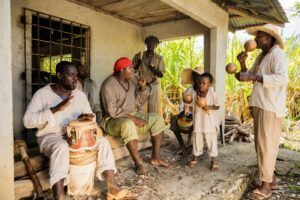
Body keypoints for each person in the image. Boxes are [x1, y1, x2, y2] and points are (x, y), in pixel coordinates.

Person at [23, 61, 132, 200]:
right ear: (59, 75)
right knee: (61, 147)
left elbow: (90, 119)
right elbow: (27, 121)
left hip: (77, 134)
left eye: (76, 75)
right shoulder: (42, 94)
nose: (75, 78)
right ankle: (59, 196)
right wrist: (56, 109)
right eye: (70, 75)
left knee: (103, 142)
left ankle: (113, 189)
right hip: (51, 136)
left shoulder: (79, 95)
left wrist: (84, 118)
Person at [235, 24, 287, 199]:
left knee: (266, 145)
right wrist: (242, 63)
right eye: (257, 37)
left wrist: (255, 77)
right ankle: (270, 179)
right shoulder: (261, 56)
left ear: (270, 38)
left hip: (270, 106)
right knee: (262, 143)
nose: (256, 40)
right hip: (261, 104)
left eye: (260, 37)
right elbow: (247, 76)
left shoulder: (277, 54)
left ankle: (265, 186)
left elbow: (281, 78)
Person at [100, 57, 170, 175]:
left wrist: (142, 89)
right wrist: (133, 118)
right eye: (130, 68)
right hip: (112, 120)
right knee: (128, 124)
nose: (133, 70)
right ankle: (138, 163)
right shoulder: (108, 85)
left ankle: (155, 157)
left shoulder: (131, 83)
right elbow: (112, 110)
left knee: (157, 119)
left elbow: (137, 103)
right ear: (122, 70)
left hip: (132, 115)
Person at [187, 73, 220, 171]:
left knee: (211, 141)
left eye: (204, 83)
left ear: (209, 84)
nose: (201, 85)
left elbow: (217, 106)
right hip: (198, 121)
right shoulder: (195, 93)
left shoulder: (212, 93)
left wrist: (209, 107)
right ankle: (195, 158)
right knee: (197, 139)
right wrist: (187, 104)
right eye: (199, 83)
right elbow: (190, 103)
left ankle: (214, 161)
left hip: (209, 122)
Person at [169, 67, 203, 153]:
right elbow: (182, 106)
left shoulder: (205, 91)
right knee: (173, 119)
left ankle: (191, 142)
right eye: (195, 76)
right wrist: (183, 113)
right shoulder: (188, 90)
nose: (196, 78)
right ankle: (182, 146)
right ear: (193, 77)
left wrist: (193, 111)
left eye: (198, 76)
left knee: (196, 120)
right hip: (188, 115)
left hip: (200, 116)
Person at [132, 35, 165, 113]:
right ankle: (142, 124)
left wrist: (153, 69)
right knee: (141, 107)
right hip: (142, 85)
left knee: (153, 107)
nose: (151, 45)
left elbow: (161, 74)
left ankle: (152, 124)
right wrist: (138, 64)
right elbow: (133, 70)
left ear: (156, 45)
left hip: (154, 85)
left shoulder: (159, 58)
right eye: (149, 43)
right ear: (146, 44)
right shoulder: (139, 56)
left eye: (153, 44)